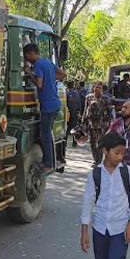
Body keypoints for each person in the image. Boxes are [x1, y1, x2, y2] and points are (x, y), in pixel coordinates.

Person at [80, 132, 130, 259]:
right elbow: (87, 202)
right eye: (117, 153)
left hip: (120, 229)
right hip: (100, 229)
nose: (120, 157)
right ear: (105, 151)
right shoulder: (95, 174)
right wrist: (84, 231)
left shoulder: (127, 172)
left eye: (123, 153)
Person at [23, 43, 66, 173]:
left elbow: (39, 84)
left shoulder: (38, 65)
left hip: (47, 106)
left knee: (45, 135)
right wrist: (51, 79)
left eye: (26, 56)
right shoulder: (47, 62)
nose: (26, 59)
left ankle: (48, 164)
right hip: (55, 104)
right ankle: (51, 162)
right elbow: (63, 74)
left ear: (31, 53)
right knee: (48, 134)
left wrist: (30, 74)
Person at [82, 82, 113, 166]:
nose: (97, 89)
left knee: (100, 142)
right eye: (96, 87)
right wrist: (83, 122)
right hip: (91, 124)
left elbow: (109, 111)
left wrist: (109, 123)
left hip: (101, 124)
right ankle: (95, 159)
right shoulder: (89, 97)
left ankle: (99, 161)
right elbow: (85, 110)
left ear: (102, 89)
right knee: (92, 143)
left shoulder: (105, 98)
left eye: (99, 88)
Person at [67, 82, 82, 147]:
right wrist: (79, 111)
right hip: (75, 113)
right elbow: (79, 103)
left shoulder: (66, 93)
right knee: (74, 127)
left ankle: (65, 142)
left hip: (68, 113)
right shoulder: (76, 93)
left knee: (67, 128)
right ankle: (74, 142)